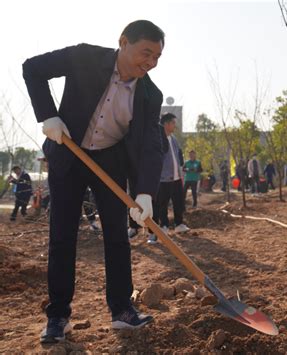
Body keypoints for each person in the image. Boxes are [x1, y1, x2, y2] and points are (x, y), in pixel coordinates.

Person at [23, 20, 168, 343]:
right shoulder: (85, 57)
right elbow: (32, 68)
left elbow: (150, 144)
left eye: (158, 57)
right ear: (123, 42)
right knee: (62, 236)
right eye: (146, 52)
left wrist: (145, 193)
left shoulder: (149, 94)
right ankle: (58, 315)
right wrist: (48, 115)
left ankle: (121, 310)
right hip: (69, 151)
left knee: (117, 236)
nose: (151, 62)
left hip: (110, 160)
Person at [148, 112, 189, 244]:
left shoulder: (174, 139)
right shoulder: (158, 138)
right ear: (166, 124)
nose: (174, 126)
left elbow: (178, 155)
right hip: (163, 178)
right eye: (173, 123)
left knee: (178, 202)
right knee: (162, 203)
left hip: (177, 177)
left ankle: (179, 224)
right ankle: (164, 225)